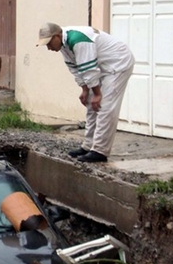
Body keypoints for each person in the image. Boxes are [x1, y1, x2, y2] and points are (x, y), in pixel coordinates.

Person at [37, 22, 135, 163]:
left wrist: (97, 93)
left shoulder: (78, 39)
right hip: (101, 66)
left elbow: (88, 67)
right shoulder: (64, 45)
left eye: (49, 43)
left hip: (118, 63)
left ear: (57, 36)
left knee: (104, 106)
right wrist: (85, 90)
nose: (48, 48)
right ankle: (88, 146)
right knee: (91, 104)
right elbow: (76, 68)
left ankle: (100, 151)